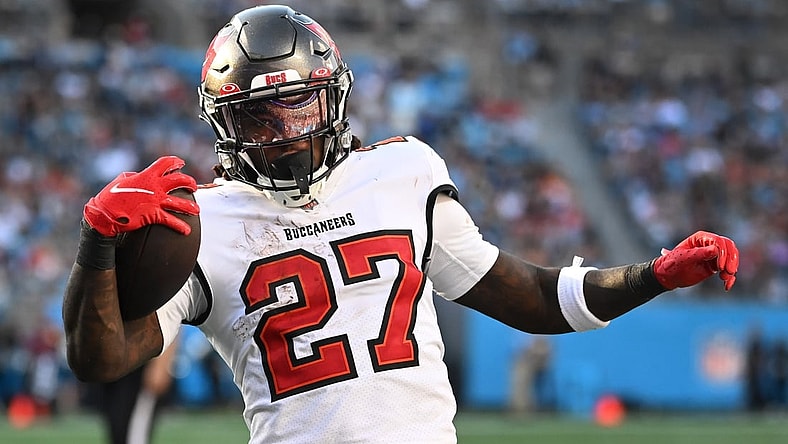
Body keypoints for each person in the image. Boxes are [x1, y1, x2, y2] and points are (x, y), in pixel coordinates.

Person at [62, 5, 740, 443]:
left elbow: (532, 296)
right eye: (260, 116)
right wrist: (97, 245)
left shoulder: (404, 173)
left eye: (299, 106)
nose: (287, 132)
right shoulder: (202, 221)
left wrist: (652, 275)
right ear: (224, 122)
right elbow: (102, 359)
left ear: (333, 97)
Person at [95, 337, 177, 444]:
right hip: (113, 361)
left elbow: (172, 321)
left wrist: (163, 362)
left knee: (132, 435)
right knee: (118, 431)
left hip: (142, 363)